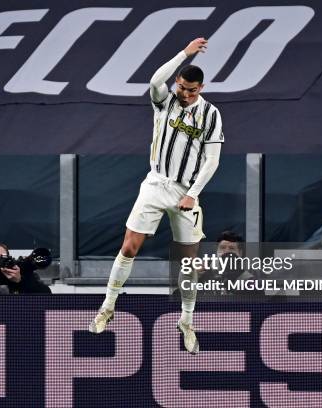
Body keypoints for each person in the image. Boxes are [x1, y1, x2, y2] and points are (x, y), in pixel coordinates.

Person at [89, 38, 224, 354]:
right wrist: (184, 54)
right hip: (156, 183)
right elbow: (154, 80)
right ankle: (108, 306)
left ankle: (187, 321)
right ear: (177, 83)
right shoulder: (164, 101)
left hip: (185, 192)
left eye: (192, 90)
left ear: (201, 88)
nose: (186, 94)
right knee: (129, 245)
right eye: (182, 87)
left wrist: (192, 194)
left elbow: (212, 160)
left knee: (187, 264)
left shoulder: (211, 115)